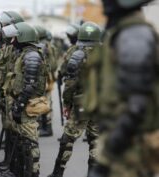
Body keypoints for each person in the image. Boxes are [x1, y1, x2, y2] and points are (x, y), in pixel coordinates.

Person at [86, 0, 159, 177]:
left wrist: (112, 148)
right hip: (124, 139)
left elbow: (137, 104)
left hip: (130, 143)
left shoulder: (134, 36)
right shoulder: (125, 32)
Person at [48, 22, 102, 177]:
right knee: (96, 140)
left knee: (68, 139)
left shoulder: (77, 54)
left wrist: (67, 104)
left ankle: (58, 173)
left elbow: (70, 83)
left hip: (81, 103)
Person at [1, 21, 48, 177]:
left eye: (15, 37)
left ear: (23, 38)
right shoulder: (24, 53)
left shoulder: (32, 55)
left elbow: (30, 85)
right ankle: (21, 172)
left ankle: (33, 173)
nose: (12, 40)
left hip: (28, 105)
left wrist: (19, 105)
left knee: (30, 142)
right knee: (22, 141)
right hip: (22, 103)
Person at [0, 11, 24, 174]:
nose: (2, 31)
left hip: (13, 94)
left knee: (14, 131)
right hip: (4, 93)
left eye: (5, 27)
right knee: (8, 129)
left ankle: (14, 164)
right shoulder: (6, 46)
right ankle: (9, 161)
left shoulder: (17, 48)